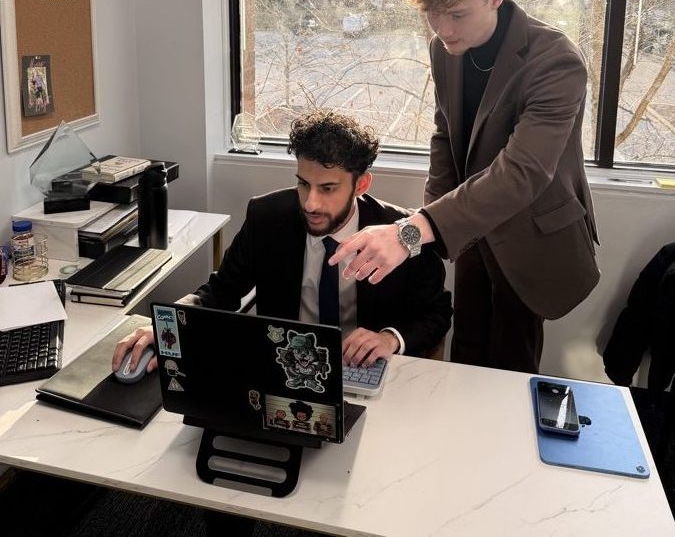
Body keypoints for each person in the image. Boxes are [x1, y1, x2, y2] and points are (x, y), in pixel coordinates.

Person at [113, 109, 451, 537]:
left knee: (358, 496)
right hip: (283, 375)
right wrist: (167, 327)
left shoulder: (399, 236)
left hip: (360, 377)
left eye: (328, 189)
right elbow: (223, 289)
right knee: (223, 457)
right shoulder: (267, 217)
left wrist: (391, 337)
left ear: (361, 184)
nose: (311, 202)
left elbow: (438, 312)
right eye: (303, 183)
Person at [331, 0, 600, 375]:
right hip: (469, 225)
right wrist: (429, 230)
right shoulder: (444, 50)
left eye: (456, 14)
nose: (441, 28)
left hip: (531, 231)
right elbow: (446, 136)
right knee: (467, 355)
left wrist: (410, 231)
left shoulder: (556, 61)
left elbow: (524, 172)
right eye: (432, 13)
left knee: (512, 368)